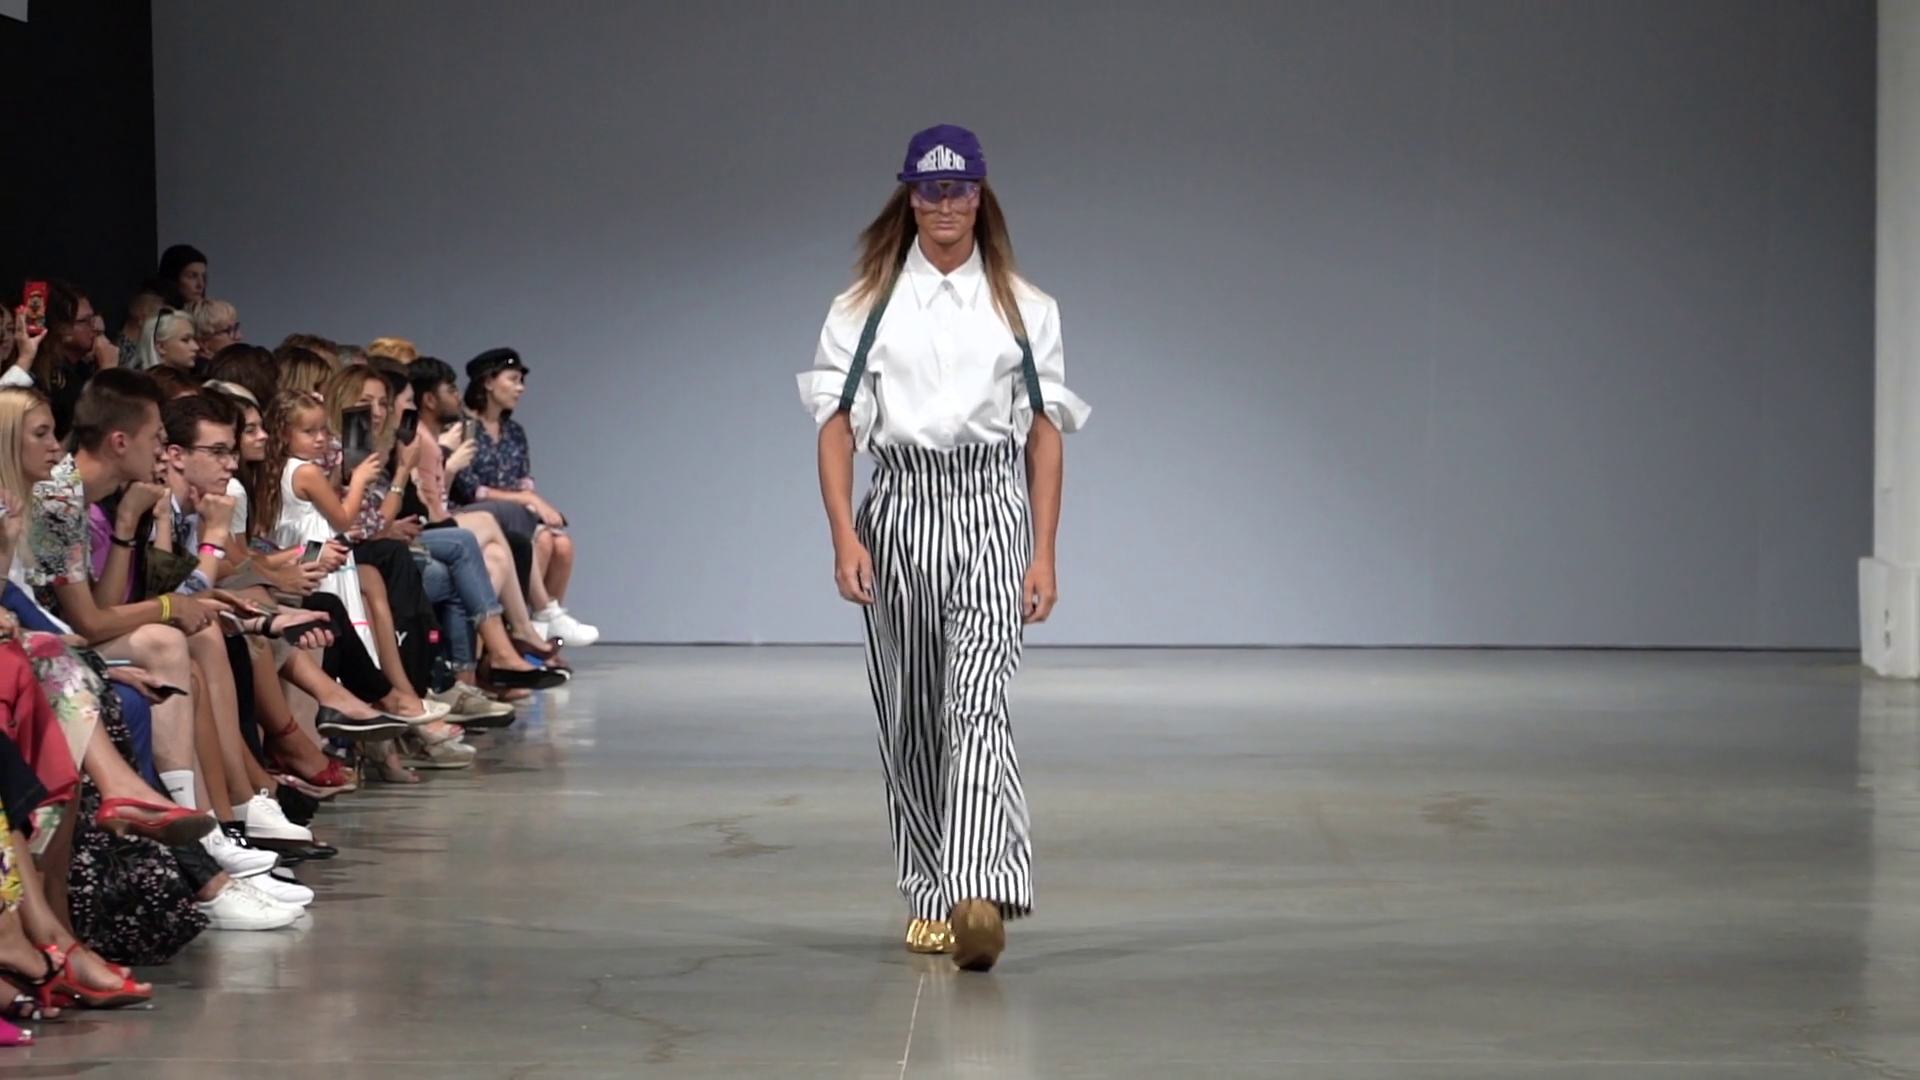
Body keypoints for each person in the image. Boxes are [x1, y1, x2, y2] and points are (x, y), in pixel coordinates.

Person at [798, 124, 1089, 973]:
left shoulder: (1026, 308)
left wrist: (1044, 552)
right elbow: (835, 427)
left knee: (978, 698)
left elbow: (1044, 432)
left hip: (991, 504)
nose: (945, 204)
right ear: (910, 198)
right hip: (900, 505)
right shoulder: (863, 307)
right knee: (914, 711)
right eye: (930, 190)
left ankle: (977, 890)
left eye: (959, 188)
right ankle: (928, 890)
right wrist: (843, 534)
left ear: (981, 195)